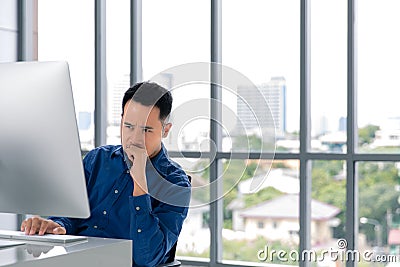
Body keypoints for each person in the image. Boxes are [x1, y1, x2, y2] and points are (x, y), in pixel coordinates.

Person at [20, 81, 191, 266]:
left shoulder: (175, 183)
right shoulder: (97, 159)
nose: (134, 139)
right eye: (128, 126)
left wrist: (139, 181)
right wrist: (57, 225)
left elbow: (148, 258)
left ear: (165, 130)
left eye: (146, 130)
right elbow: (72, 215)